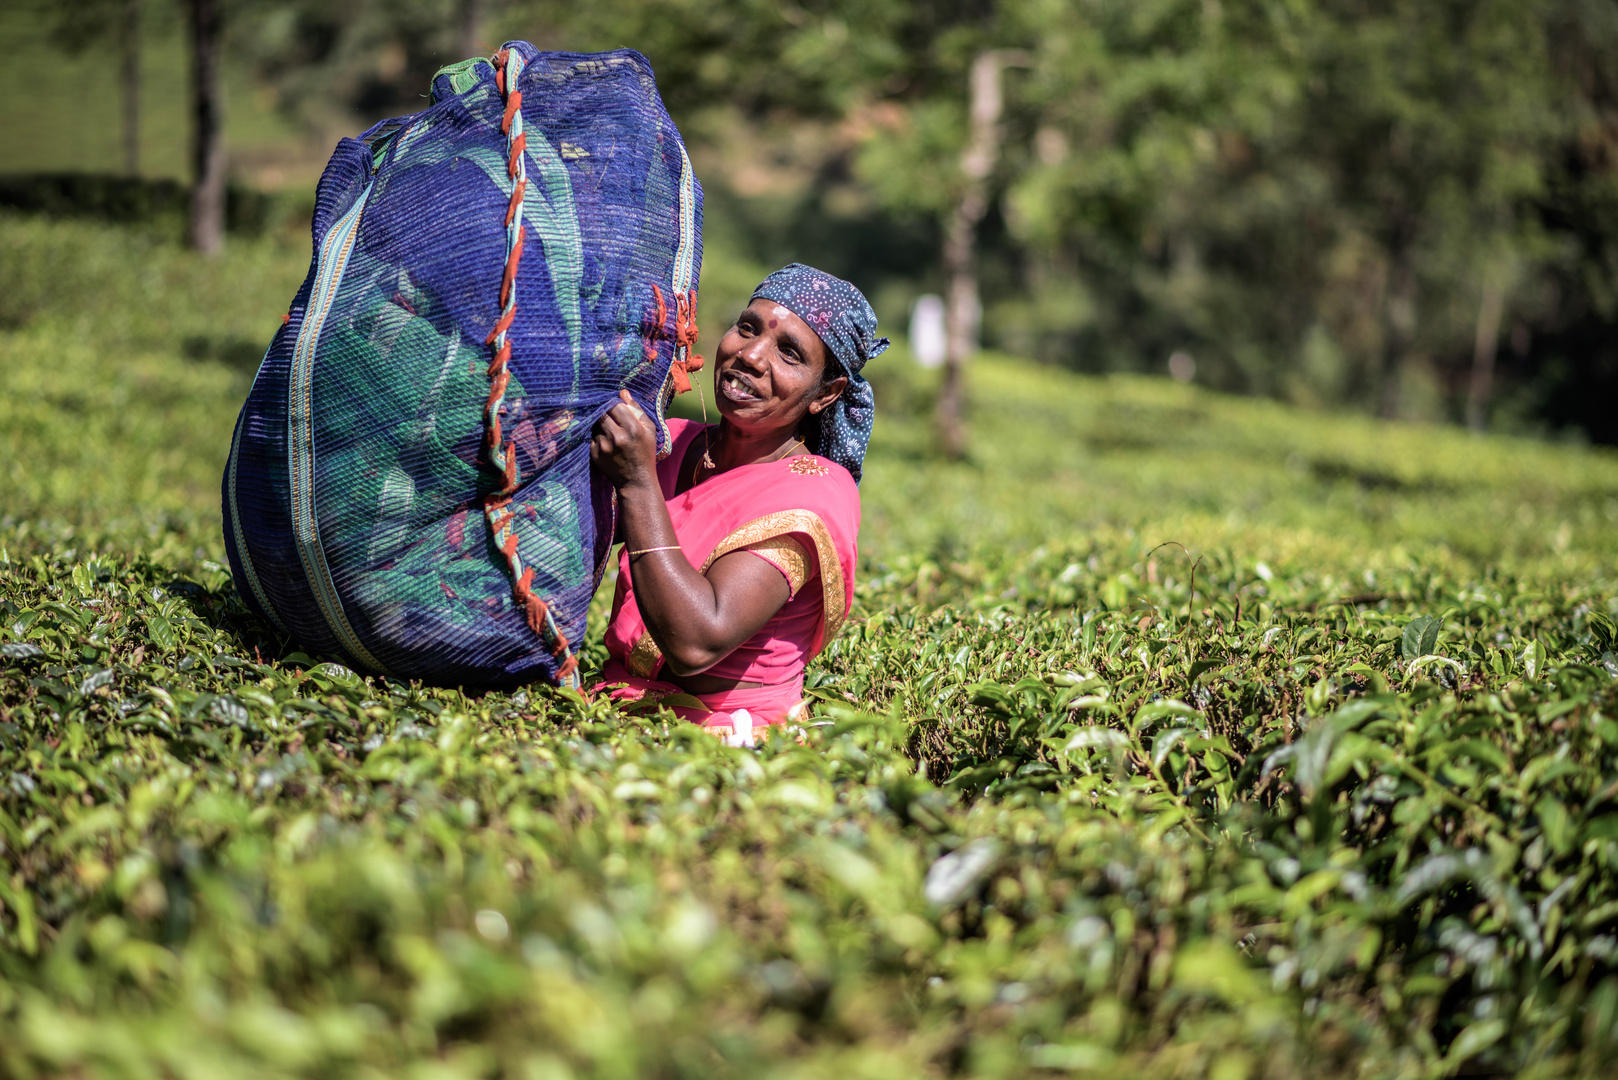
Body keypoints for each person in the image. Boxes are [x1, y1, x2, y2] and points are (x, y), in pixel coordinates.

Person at [589, 264, 887, 743]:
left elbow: (697, 640)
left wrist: (638, 483)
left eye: (789, 353)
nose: (750, 355)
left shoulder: (812, 492)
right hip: (612, 706)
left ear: (824, 394)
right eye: (746, 328)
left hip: (726, 738)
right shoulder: (670, 444)